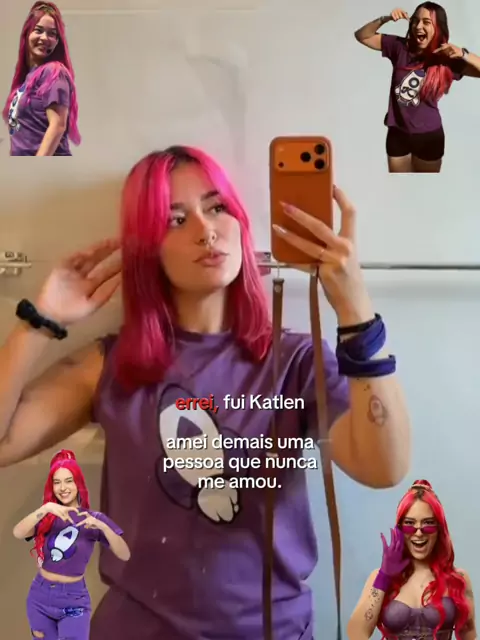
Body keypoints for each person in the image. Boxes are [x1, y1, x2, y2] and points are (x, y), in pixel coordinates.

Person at [0, 145, 411, 639]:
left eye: (217, 208)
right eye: (175, 220)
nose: (206, 230)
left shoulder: (297, 362)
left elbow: (384, 468)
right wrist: (38, 323)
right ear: (148, 248)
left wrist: (354, 309)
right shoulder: (112, 364)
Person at [12, 449, 130, 640]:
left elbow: (124, 554)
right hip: (40, 596)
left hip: (74, 600)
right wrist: (46, 508)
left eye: (68, 481)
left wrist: (103, 527)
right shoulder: (48, 517)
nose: (63, 487)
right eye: (57, 482)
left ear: (78, 483)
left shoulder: (93, 519)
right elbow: (18, 532)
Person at [354, 3, 480, 174]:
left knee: (426, 187)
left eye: (426, 22)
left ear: (438, 27)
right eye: (415, 21)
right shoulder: (400, 47)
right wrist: (386, 18)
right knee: (399, 186)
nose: (418, 26)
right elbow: (362, 36)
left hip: (429, 137)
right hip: (397, 133)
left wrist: (463, 54)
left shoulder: (447, 57)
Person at [347, 479, 476, 640]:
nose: (419, 533)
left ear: (439, 529)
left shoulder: (458, 579)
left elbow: (469, 636)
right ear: (400, 529)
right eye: (410, 524)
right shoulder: (379, 578)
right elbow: (356, 633)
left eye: (428, 523)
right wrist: (384, 577)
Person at [3, 2, 80, 156]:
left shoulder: (54, 71)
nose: (45, 38)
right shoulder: (27, 79)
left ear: (57, 41)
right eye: (38, 30)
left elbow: (57, 126)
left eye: (52, 34)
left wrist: (36, 165)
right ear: (27, 33)